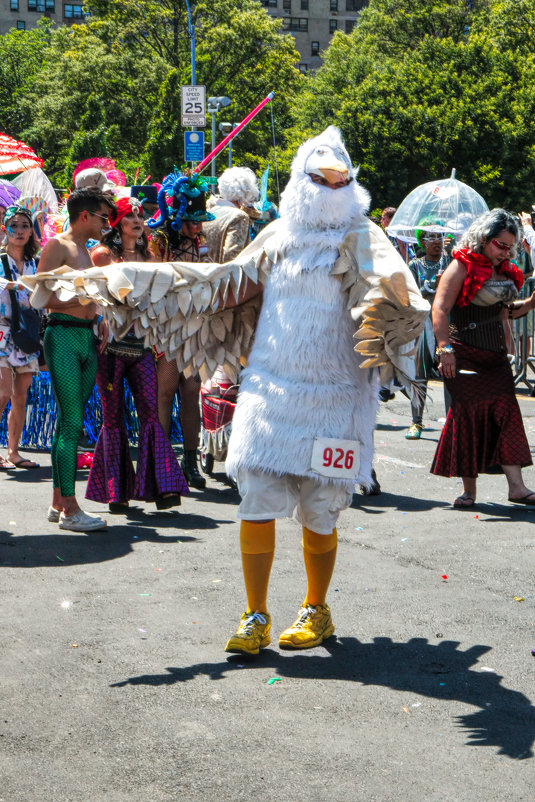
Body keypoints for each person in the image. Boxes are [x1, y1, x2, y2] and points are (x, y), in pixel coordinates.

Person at [22, 128, 429, 654]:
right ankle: (255, 613)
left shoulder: (363, 236)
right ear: (299, 183)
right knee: (256, 498)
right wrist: (124, 279)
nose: (331, 187)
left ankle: (316, 607)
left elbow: (399, 288)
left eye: (340, 179)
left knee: (322, 506)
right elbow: (218, 283)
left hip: (337, 398)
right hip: (271, 393)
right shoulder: (278, 237)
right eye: (320, 178)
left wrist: (399, 312)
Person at [86, 197, 188, 513]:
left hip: (142, 345)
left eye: (140, 215)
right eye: (130, 215)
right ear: (117, 222)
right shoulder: (102, 255)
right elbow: (103, 294)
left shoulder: (151, 256)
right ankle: (117, 492)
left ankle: (163, 488)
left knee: (150, 413)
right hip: (111, 346)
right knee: (113, 418)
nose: (137, 219)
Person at [431, 208, 535, 508]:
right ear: (483, 238)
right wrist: (444, 348)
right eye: (499, 245)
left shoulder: (504, 271)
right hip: (463, 354)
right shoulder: (460, 266)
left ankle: (517, 488)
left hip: (495, 358)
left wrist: (529, 302)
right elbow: (440, 308)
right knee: (468, 416)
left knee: (507, 414)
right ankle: (469, 492)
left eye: (509, 247)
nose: (505, 252)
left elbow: (504, 312)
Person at [37, 187, 115, 531]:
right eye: (103, 217)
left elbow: (89, 299)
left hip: (85, 338)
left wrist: (97, 317)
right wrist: (83, 302)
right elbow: (39, 298)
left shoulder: (87, 251)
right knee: (71, 424)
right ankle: (70, 509)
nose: (107, 224)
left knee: (67, 422)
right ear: (85, 215)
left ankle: (58, 501)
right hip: (63, 336)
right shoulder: (58, 246)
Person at [148, 170, 215, 489]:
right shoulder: (159, 242)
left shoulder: (200, 242)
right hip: (167, 327)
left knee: (191, 392)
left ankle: (190, 460)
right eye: (192, 220)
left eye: (201, 220)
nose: (198, 226)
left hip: (195, 327)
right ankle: (163, 462)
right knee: (165, 392)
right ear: (177, 218)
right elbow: (154, 283)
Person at [0, 205, 41, 470]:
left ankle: (14, 452)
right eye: (13, 225)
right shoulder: (0, 259)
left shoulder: (36, 264)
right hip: (2, 330)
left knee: (20, 396)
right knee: (2, 392)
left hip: (26, 331)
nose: (19, 230)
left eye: (25, 225)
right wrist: (11, 284)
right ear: (5, 229)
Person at [405, 221, 451, 439]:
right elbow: (407, 295)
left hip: (447, 325)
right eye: (431, 237)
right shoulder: (415, 265)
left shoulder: (451, 262)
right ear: (422, 241)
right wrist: (424, 291)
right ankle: (416, 422)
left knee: (450, 374)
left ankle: (452, 424)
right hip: (423, 326)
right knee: (419, 374)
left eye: (439, 236)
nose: (437, 241)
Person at [203, 166, 259, 263]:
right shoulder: (239, 217)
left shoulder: (208, 212)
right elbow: (232, 259)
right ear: (247, 192)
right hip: (222, 276)